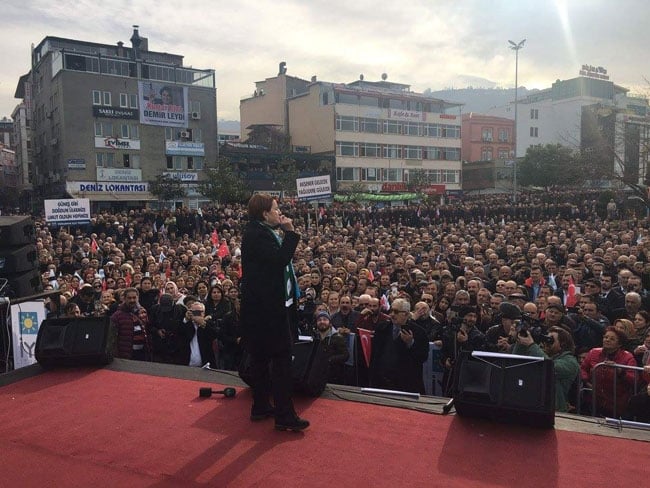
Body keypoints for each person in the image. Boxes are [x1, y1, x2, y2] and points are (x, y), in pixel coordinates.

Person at [240, 194, 309, 432]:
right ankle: (284, 414)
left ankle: (260, 406)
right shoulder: (257, 235)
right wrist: (291, 233)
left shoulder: (256, 232)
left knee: (260, 359)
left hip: (260, 308)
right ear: (264, 214)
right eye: (276, 209)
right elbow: (280, 260)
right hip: (268, 310)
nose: (280, 213)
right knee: (281, 361)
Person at [512, 325, 580, 412]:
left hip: (554, 409)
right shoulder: (540, 353)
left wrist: (531, 345)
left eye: (551, 340)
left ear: (562, 344)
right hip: (531, 403)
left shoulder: (570, 362)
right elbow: (517, 362)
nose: (546, 343)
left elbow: (549, 367)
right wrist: (521, 342)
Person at [369, 297, 429, 394]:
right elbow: (374, 356)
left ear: (406, 313)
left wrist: (410, 343)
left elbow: (423, 357)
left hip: (406, 385)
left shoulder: (419, 332)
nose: (392, 314)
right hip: (382, 382)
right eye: (391, 311)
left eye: (396, 312)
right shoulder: (382, 328)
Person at [580, 327, 637, 417]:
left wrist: (620, 371)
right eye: (606, 337)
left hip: (616, 403)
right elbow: (583, 369)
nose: (607, 340)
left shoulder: (628, 357)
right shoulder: (593, 352)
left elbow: (633, 379)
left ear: (619, 344)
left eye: (612, 339)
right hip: (594, 399)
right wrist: (586, 381)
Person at [110, 287, 151, 361]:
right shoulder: (117, 316)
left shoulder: (142, 312)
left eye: (134, 298)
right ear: (124, 299)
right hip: (126, 355)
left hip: (142, 354)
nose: (132, 300)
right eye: (129, 298)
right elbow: (112, 337)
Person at [177, 300, 218, 368]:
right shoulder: (186, 324)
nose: (197, 314)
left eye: (199, 312)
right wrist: (186, 320)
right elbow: (179, 334)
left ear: (204, 313)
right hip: (186, 364)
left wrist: (202, 324)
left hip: (205, 365)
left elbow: (215, 334)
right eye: (194, 312)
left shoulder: (209, 324)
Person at [314, 310, 349, 385]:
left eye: (325, 319)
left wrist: (330, 359)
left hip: (334, 375)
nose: (322, 322)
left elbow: (345, 355)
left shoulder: (338, 338)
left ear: (329, 323)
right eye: (319, 320)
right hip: (318, 374)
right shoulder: (314, 337)